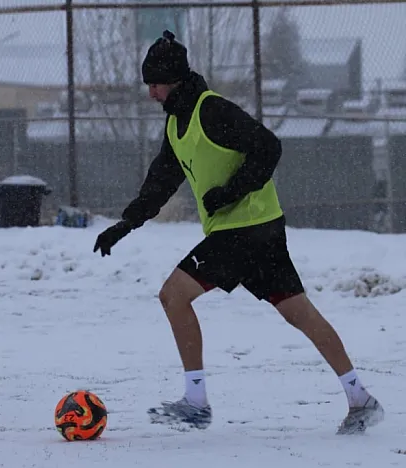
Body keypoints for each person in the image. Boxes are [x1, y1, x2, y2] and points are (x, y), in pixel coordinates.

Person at [92, 30, 383, 435]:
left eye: (154, 84)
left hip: (243, 230)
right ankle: (360, 398)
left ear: (173, 80)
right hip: (259, 228)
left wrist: (230, 191)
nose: (150, 93)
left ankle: (195, 402)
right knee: (299, 313)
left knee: (173, 296)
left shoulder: (211, 111)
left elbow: (268, 146)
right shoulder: (178, 124)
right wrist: (125, 225)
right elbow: (161, 181)